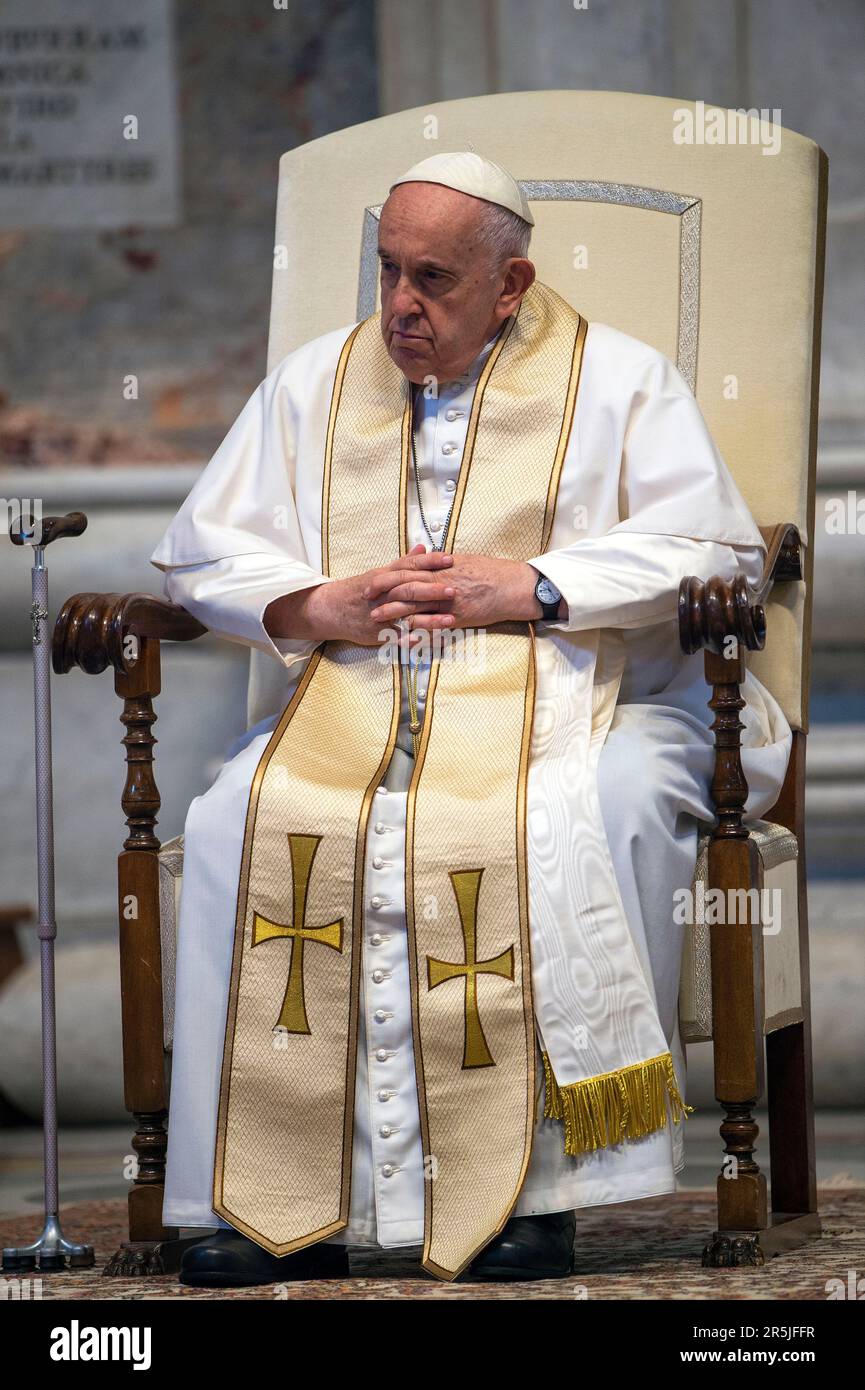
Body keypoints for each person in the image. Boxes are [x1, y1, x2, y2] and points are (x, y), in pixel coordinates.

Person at [149, 152, 791, 1287]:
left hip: (602, 698)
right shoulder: (316, 384)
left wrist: (536, 586)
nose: (399, 304)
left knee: (576, 808)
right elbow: (203, 548)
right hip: (363, 697)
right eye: (387, 271)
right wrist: (316, 601)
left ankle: (534, 1195)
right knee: (230, 811)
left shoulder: (619, 381)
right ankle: (262, 1198)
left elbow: (719, 551)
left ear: (510, 283)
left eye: (432, 278)